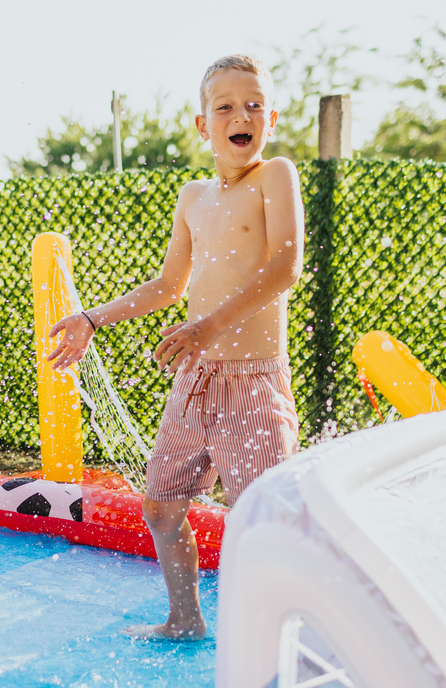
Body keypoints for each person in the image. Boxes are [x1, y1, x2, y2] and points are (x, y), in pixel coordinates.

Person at [48, 55, 302, 639]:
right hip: (196, 379)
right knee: (161, 506)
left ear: (272, 118)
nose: (243, 115)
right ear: (202, 125)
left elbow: (285, 265)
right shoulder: (192, 196)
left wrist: (209, 326)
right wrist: (92, 316)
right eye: (226, 107)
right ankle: (184, 619)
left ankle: (282, 637)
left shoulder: (275, 175)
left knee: (264, 519)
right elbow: (169, 287)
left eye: (255, 105)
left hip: (253, 382)